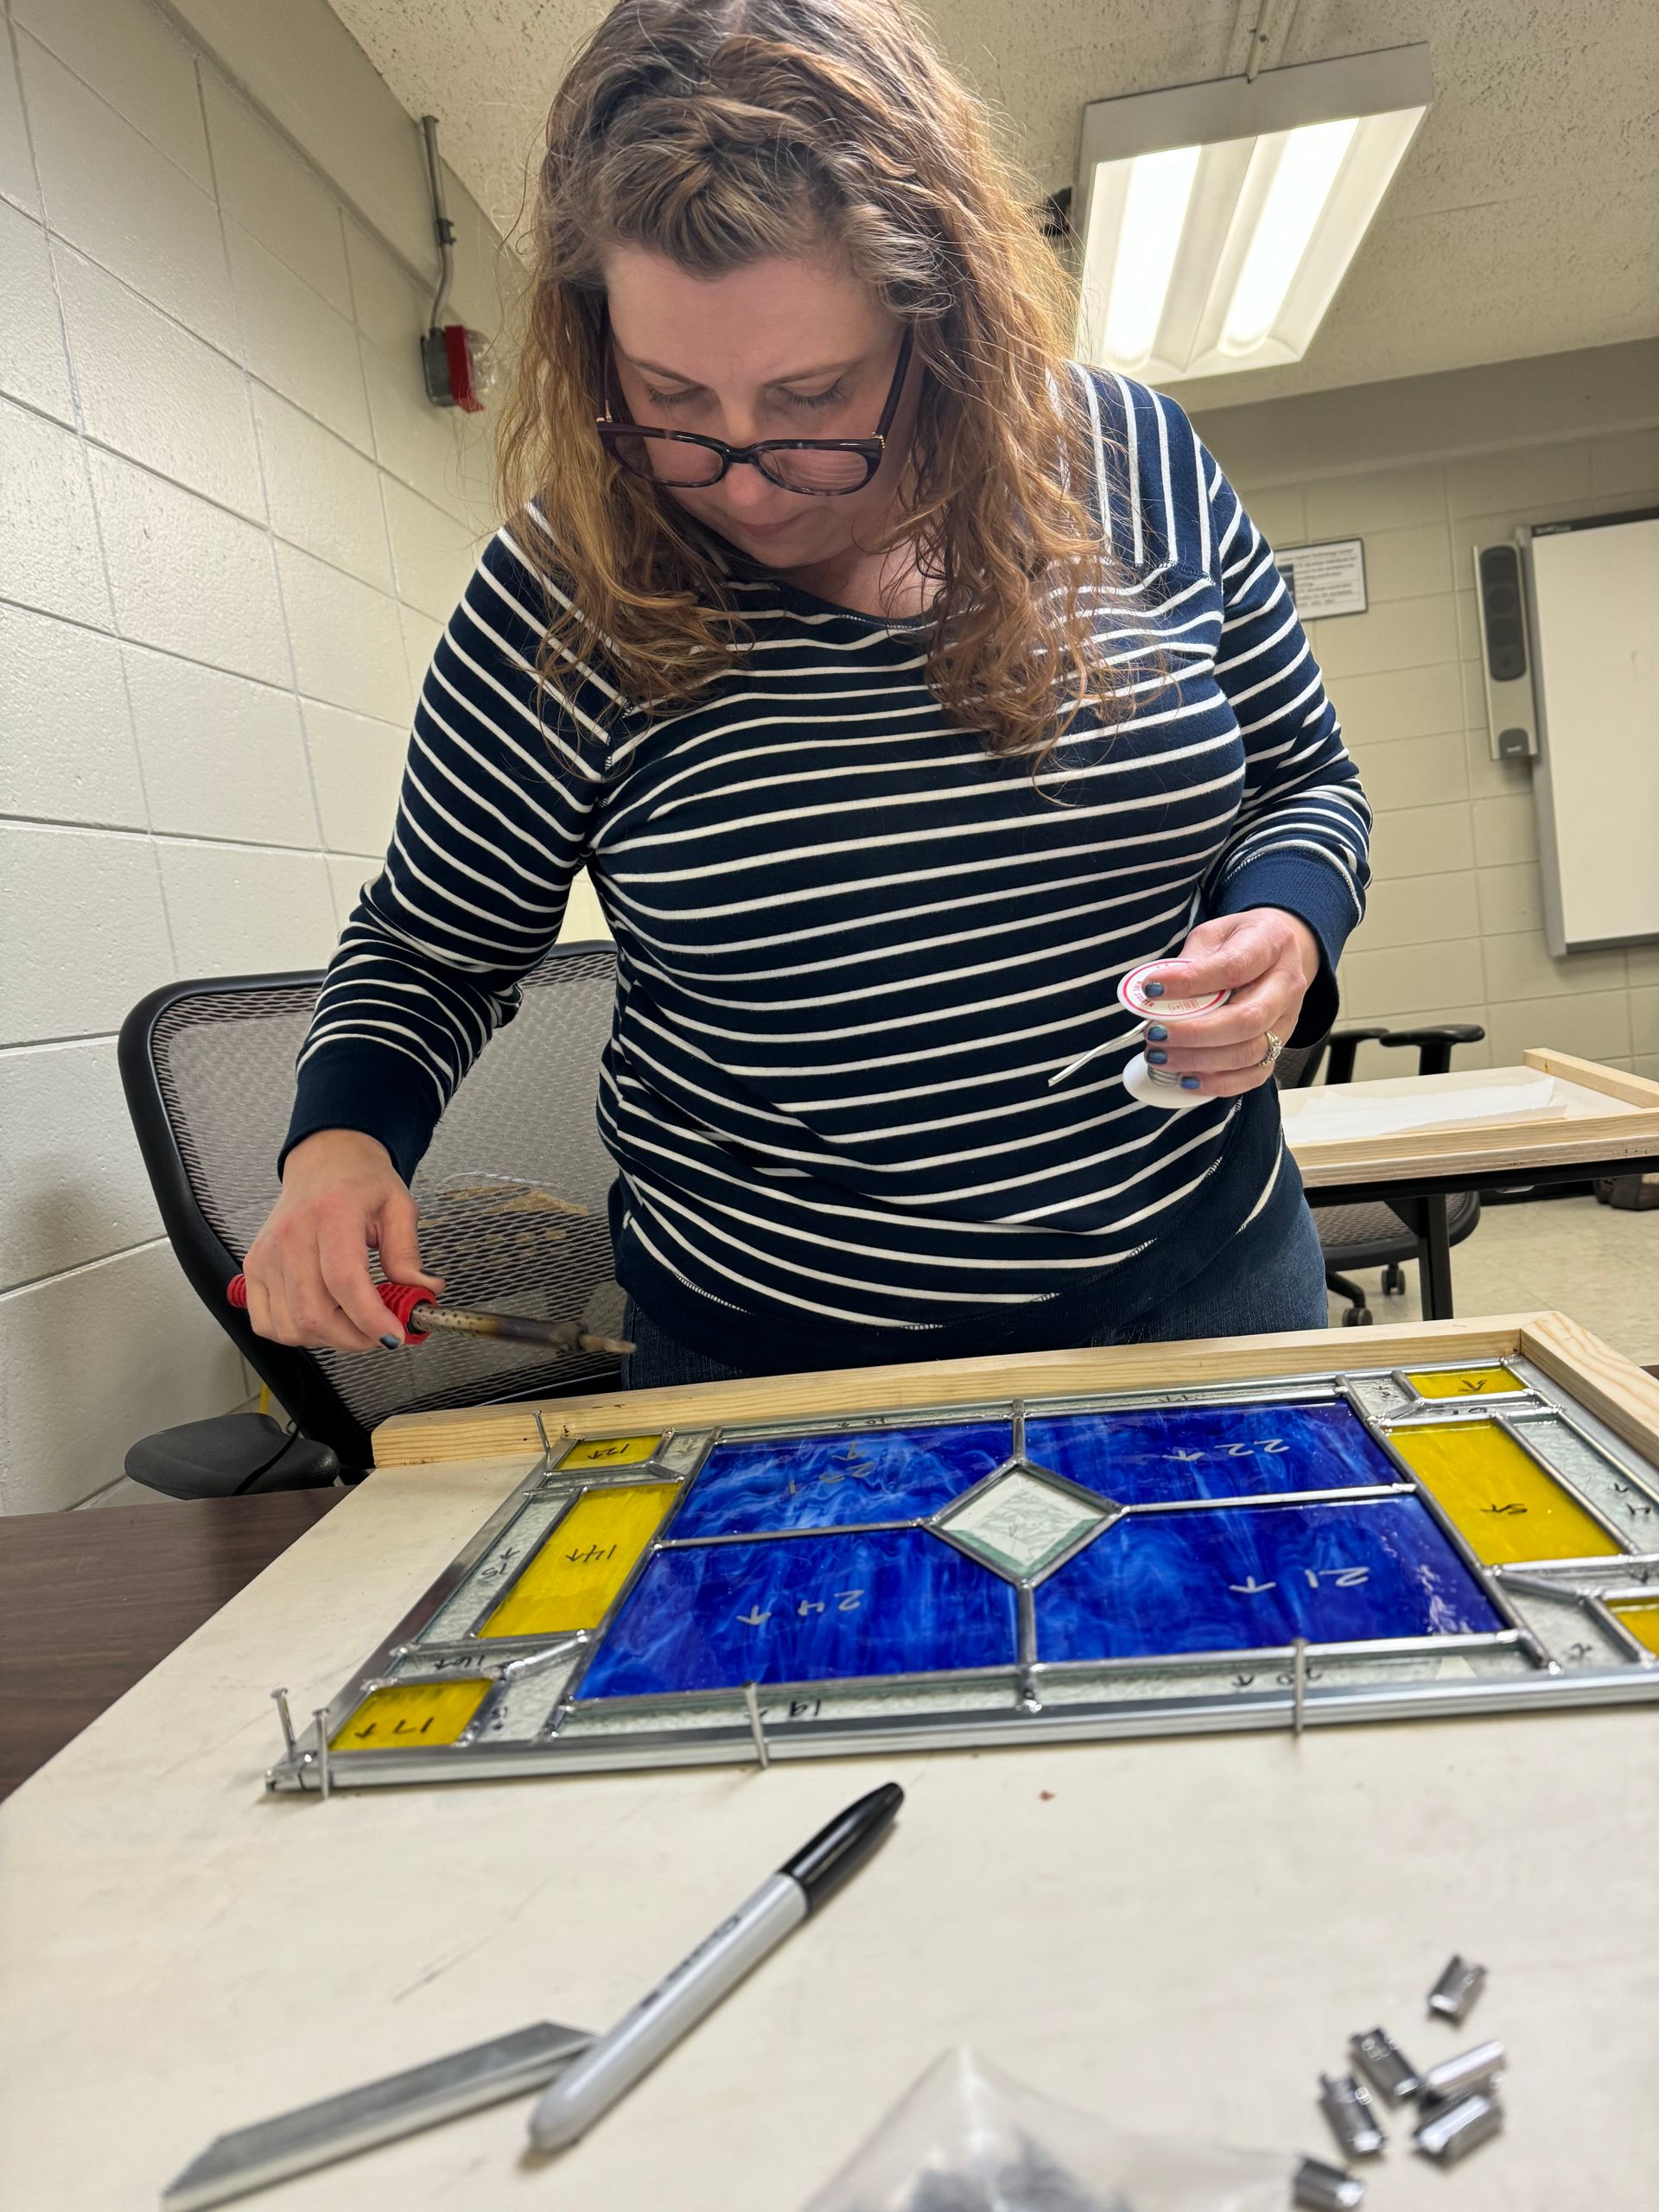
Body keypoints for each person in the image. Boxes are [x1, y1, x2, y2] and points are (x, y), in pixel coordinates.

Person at [244, 0, 1371, 1390]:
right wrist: (340, 1144)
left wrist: (1287, 923)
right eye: (669, 400)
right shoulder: (562, 590)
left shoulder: (1132, 460)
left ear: (940, 327)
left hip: (1206, 1286)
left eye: (812, 399)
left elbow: (1305, 779)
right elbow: (430, 948)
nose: (742, 472)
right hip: (781, 1370)